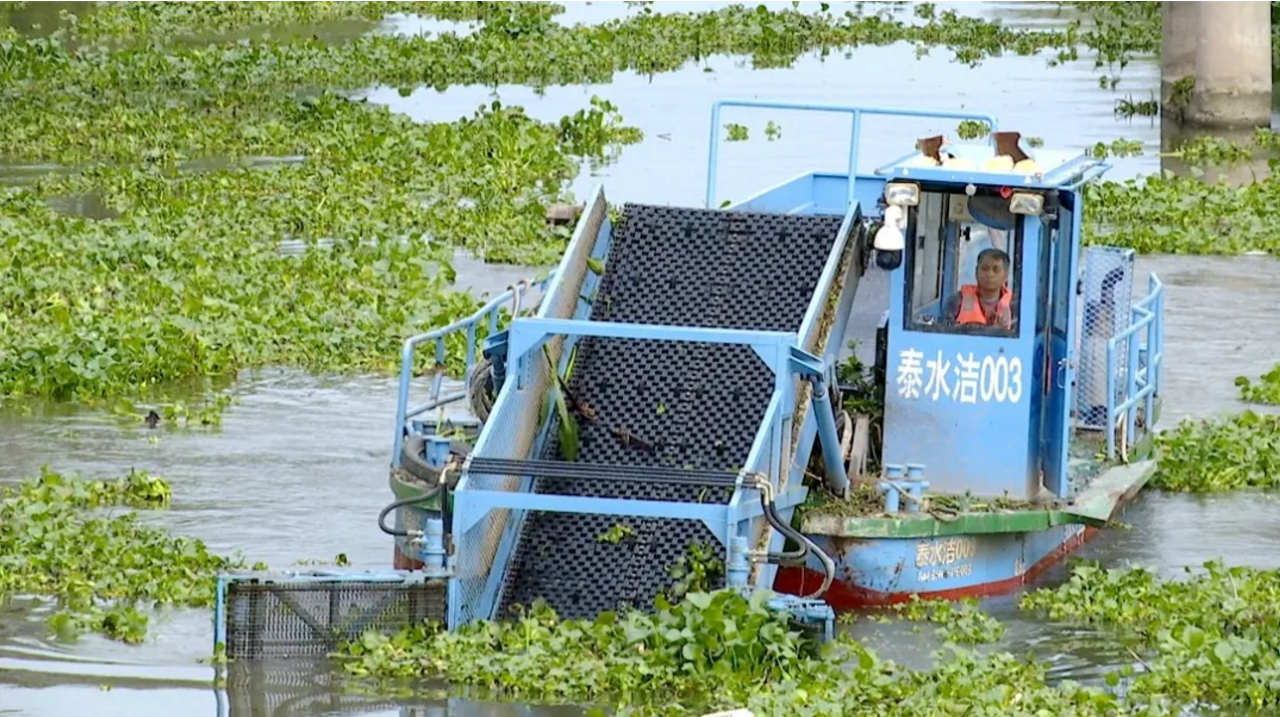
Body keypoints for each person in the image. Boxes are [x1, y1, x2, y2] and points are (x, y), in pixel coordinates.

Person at [941, 248, 1014, 330]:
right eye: (985, 269)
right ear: (976, 272)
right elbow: (944, 330)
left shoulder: (1015, 305)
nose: (990, 274)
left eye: (996, 270)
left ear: (1006, 276)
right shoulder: (957, 301)